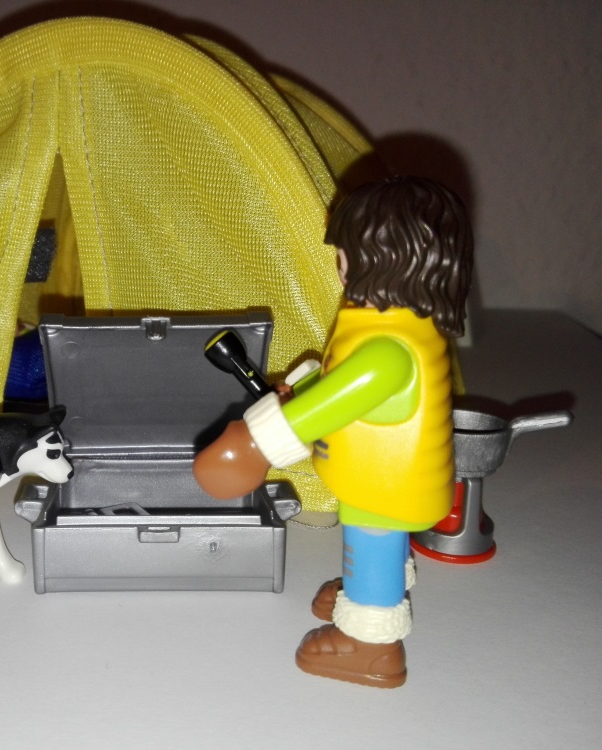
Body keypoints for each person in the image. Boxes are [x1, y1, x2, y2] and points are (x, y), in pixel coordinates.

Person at [193, 176, 473, 687]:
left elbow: (337, 398)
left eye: (345, 255)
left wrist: (258, 442)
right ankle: (369, 588)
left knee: (373, 541)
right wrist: (298, 391)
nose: (338, 265)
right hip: (381, 473)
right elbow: (339, 380)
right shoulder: (394, 326)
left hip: (385, 484)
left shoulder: (388, 350)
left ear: (386, 260)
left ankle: (372, 645)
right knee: (378, 545)